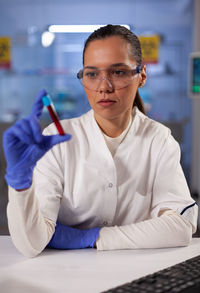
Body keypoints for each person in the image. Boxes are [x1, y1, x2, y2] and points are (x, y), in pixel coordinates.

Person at [3, 24, 198, 258]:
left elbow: (180, 227)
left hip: (137, 279)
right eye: (92, 74)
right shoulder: (57, 138)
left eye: (118, 72)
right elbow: (31, 244)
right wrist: (20, 184)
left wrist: (93, 237)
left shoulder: (158, 139)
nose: (104, 87)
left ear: (141, 76)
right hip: (65, 277)